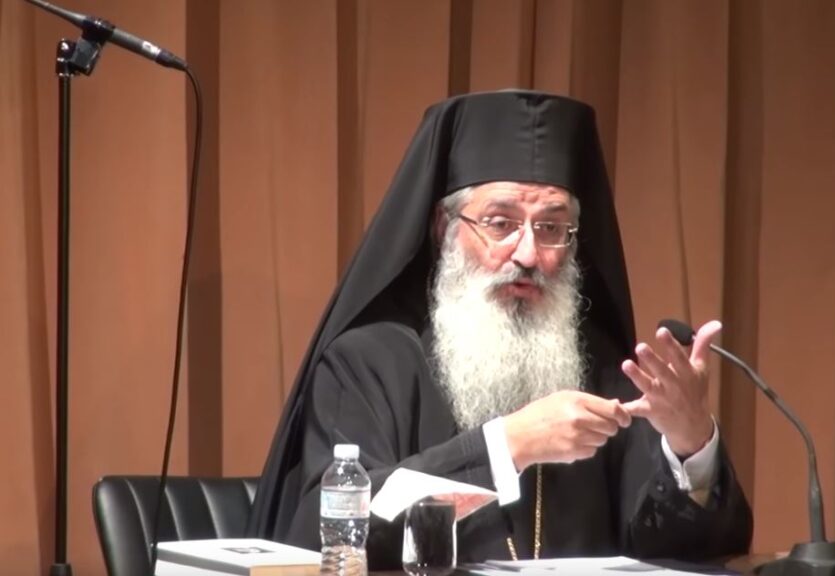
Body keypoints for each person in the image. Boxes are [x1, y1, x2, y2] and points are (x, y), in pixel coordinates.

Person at [248, 90, 753, 569]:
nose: (528, 254)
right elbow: (325, 536)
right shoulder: (368, 362)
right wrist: (506, 446)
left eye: (551, 228)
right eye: (500, 223)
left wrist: (691, 445)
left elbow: (691, 554)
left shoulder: (602, 368)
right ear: (445, 228)